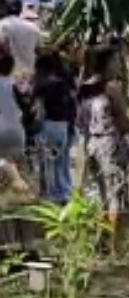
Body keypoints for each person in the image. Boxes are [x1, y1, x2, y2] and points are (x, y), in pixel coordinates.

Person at [77, 46, 129, 239]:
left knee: (102, 196)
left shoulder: (84, 88)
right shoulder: (112, 88)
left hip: (92, 144)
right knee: (116, 197)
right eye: (115, 61)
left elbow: (81, 123)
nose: (119, 66)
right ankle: (115, 246)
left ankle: (101, 240)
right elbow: (124, 123)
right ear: (105, 64)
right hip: (111, 145)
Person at [31, 51, 76, 203]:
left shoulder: (41, 86)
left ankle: (52, 196)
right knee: (61, 162)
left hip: (48, 125)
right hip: (63, 126)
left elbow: (35, 109)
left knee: (48, 163)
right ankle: (65, 192)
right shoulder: (63, 83)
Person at [0, 0, 41, 76]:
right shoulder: (34, 27)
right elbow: (38, 50)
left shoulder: (2, 24)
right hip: (28, 73)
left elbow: (2, 46)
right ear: (20, 10)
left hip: (8, 72)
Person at [0, 52, 26, 170]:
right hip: (16, 132)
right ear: (12, 68)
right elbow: (26, 107)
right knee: (13, 167)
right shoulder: (16, 85)